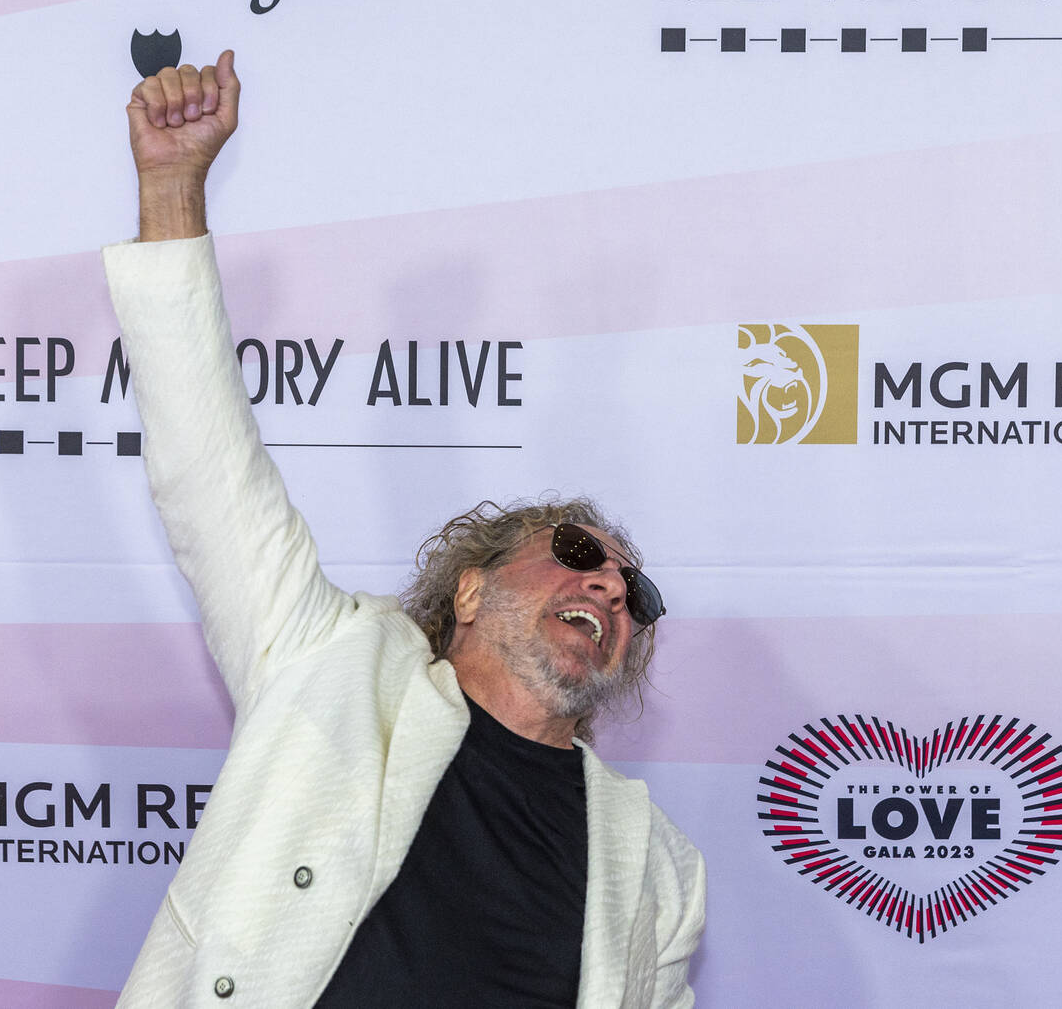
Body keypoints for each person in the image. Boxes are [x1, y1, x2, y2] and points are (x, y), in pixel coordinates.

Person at [103, 49, 705, 1008]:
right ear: (471, 589)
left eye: (638, 593)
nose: (611, 588)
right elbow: (205, 462)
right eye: (581, 555)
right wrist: (172, 189)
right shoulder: (329, 658)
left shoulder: (661, 870)